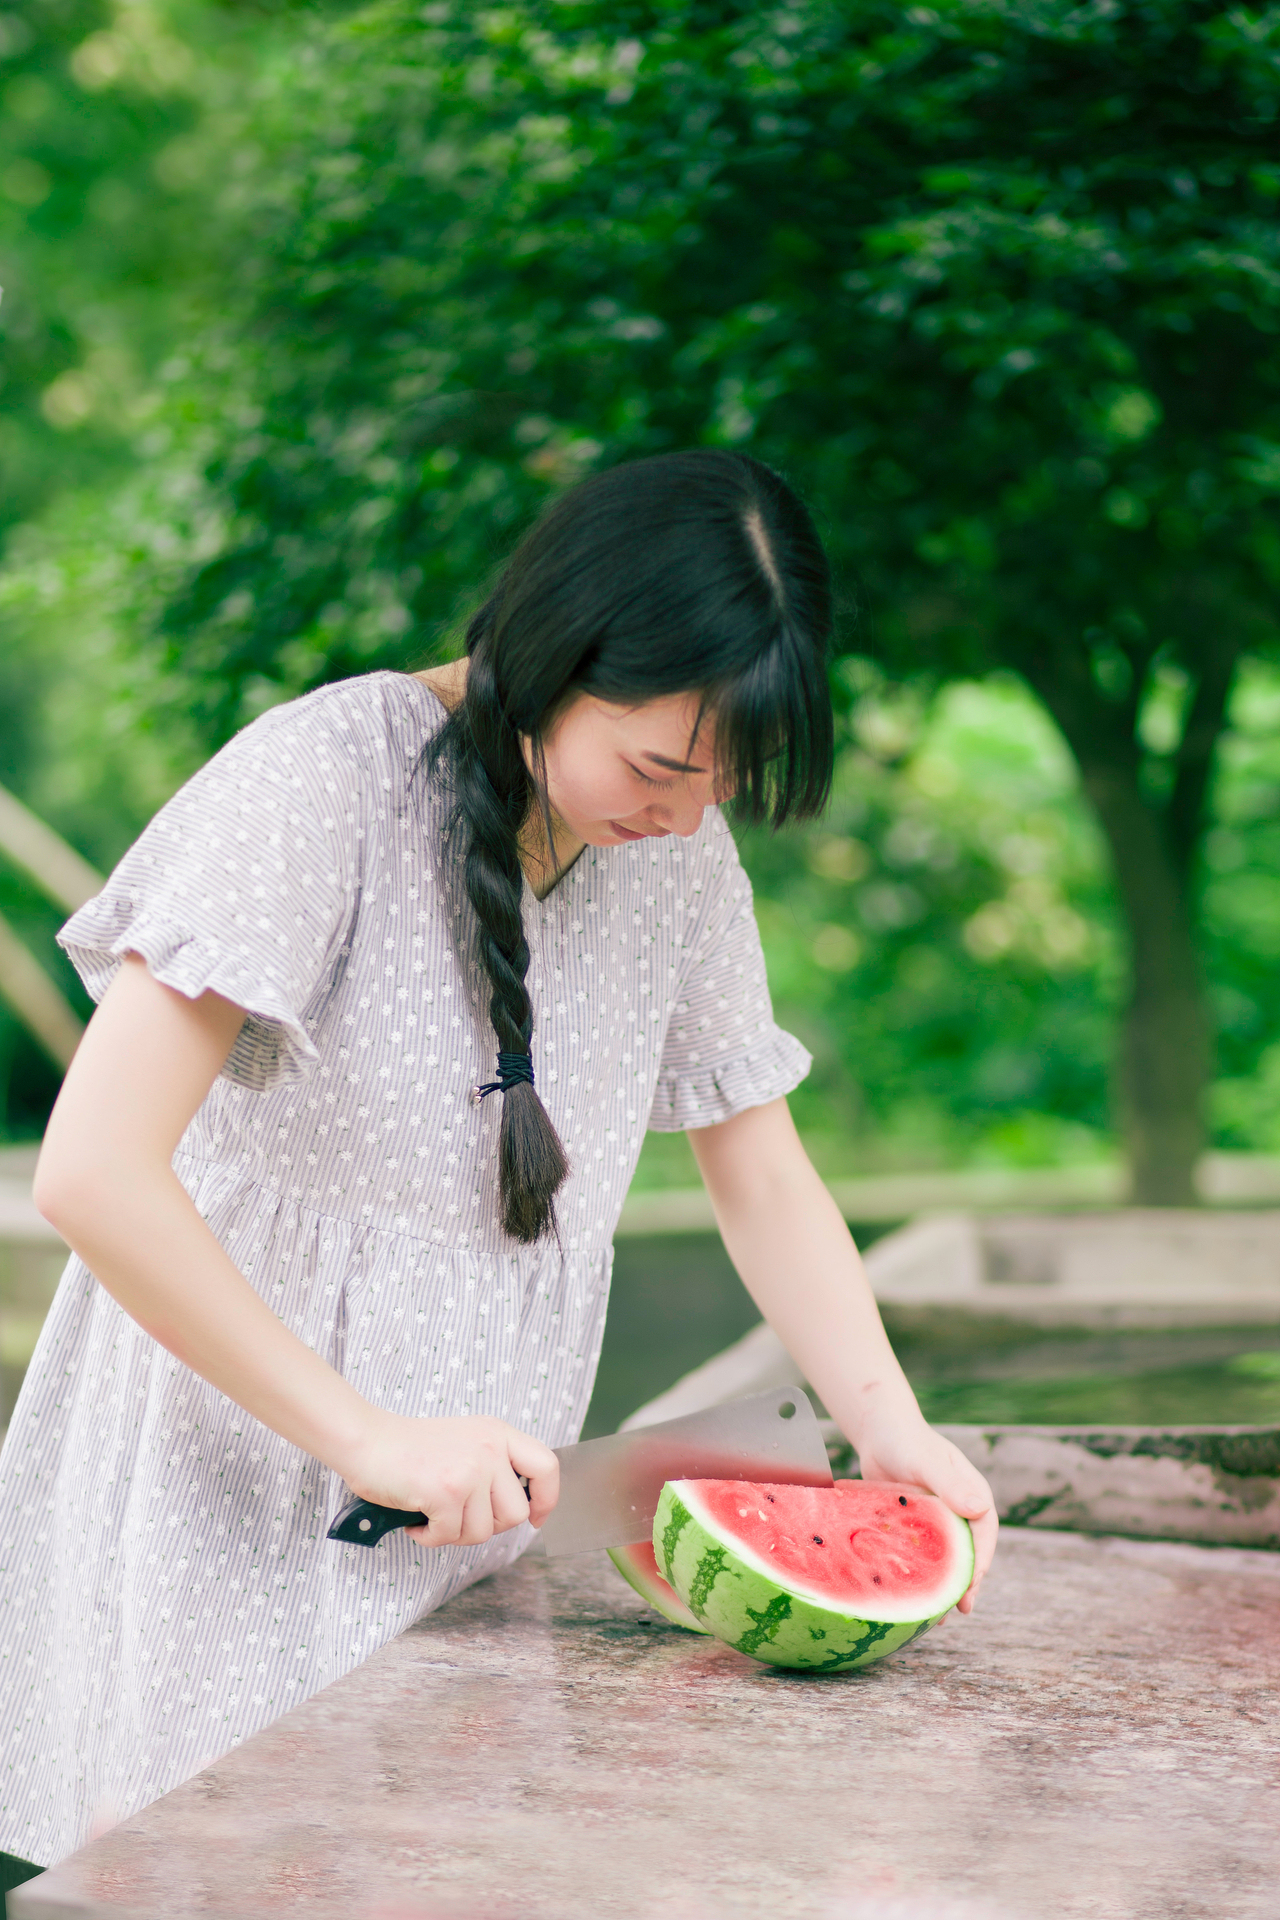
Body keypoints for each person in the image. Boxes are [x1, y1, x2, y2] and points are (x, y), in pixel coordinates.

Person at [0, 450, 997, 1872]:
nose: (682, 812)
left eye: (724, 782)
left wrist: (890, 1428)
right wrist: (366, 1437)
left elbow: (760, 1173)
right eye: (655, 764)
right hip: (232, 1466)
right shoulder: (321, 779)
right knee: (210, 1874)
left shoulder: (675, 852)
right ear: (546, 657)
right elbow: (91, 1172)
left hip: (472, 1500)